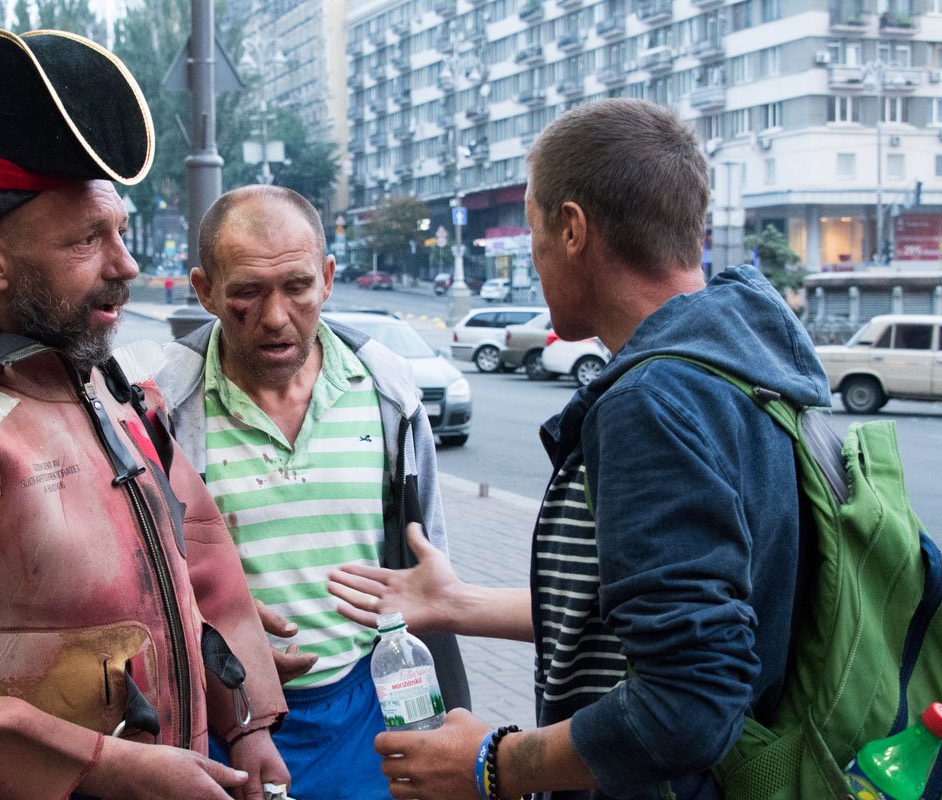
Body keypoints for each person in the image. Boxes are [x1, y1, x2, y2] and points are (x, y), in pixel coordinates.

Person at [0, 29, 288, 800]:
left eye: (121, 231)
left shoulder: (108, 389)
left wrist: (250, 723)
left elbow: (200, 559)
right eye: (87, 240)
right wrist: (108, 771)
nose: (127, 264)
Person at [328, 98, 831, 799]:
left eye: (535, 231)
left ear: (571, 229)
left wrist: (494, 764)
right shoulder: (750, 366)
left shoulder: (652, 404)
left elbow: (689, 702)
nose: (534, 258)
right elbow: (685, 607)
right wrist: (460, 602)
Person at [116, 184, 470, 800]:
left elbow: (426, 561)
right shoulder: (157, 407)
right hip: (223, 716)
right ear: (204, 291)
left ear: (328, 279)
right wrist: (214, 638)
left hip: (367, 709)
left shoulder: (388, 391)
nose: (277, 317)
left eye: (298, 288)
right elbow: (129, 580)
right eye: (248, 293)